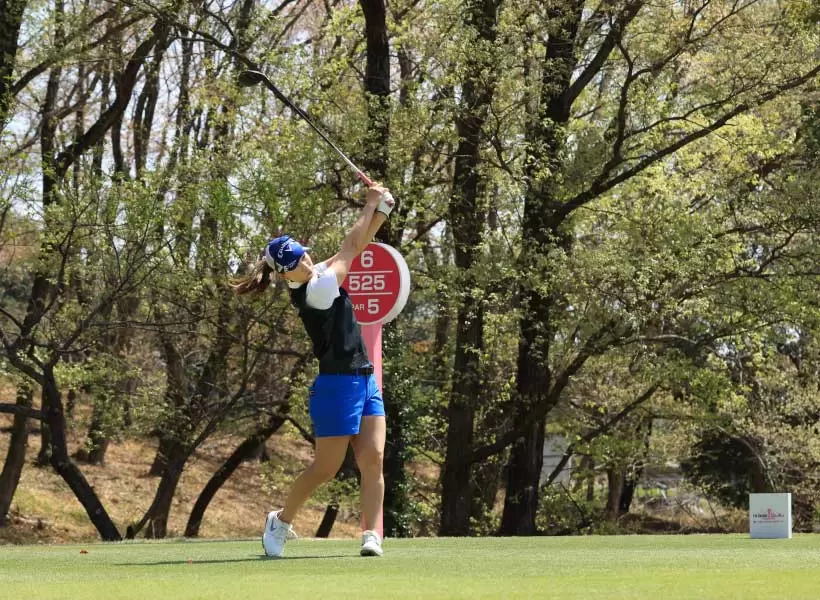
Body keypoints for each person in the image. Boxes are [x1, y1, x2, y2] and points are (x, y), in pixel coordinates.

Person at [232, 184, 395, 558]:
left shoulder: (315, 275)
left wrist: (382, 211)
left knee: (372, 458)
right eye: (297, 262)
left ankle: (372, 534)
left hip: (364, 379)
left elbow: (355, 244)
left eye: (303, 256)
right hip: (337, 387)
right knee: (325, 468)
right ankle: (281, 521)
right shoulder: (316, 290)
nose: (306, 262)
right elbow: (351, 249)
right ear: (288, 274)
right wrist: (371, 203)